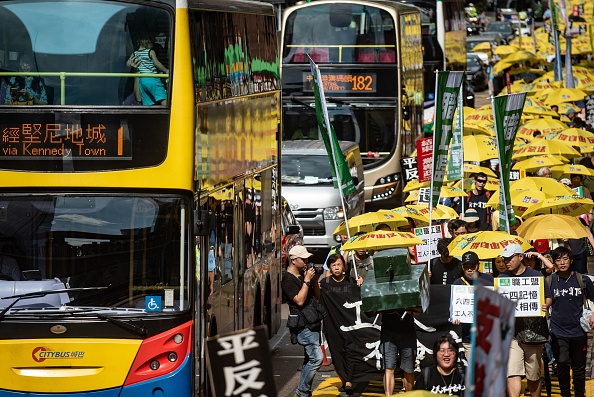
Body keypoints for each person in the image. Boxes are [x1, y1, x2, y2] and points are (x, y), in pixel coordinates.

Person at [543, 247, 594, 397]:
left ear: (571, 261)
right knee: (563, 363)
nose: (562, 262)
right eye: (558, 260)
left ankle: (579, 393)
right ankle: (565, 393)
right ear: (554, 263)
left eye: (565, 259)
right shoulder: (550, 281)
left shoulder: (582, 279)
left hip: (579, 331)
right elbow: (544, 301)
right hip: (558, 331)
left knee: (579, 367)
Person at [499, 244, 547, 397]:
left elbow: (548, 296)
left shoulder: (537, 276)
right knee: (512, 372)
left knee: (533, 375)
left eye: (510, 258)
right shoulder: (502, 278)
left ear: (520, 257)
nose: (507, 262)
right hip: (512, 334)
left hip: (534, 332)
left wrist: (546, 304)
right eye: (505, 259)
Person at [281, 245, 324, 397]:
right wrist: (306, 281)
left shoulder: (303, 275)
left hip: (313, 321)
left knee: (310, 358)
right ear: (293, 260)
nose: (306, 261)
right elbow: (299, 301)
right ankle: (302, 391)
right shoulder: (287, 279)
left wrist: (314, 281)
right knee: (316, 358)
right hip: (303, 324)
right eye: (303, 258)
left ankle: (304, 393)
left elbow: (317, 297)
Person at [320, 253, 358, 393]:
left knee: (350, 350)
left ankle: (349, 380)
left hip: (350, 323)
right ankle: (344, 378)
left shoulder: (351, 281)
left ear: (344, 266)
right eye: (333, 265)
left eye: (339, 265)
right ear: (329, 267)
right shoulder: (325, 283)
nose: (336, 268)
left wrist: (360, 286)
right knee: (336, 352)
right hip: (332, 324)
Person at [452, 251, 494, 357]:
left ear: (478, 265)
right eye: (466, 266)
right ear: (462, 267)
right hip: (468, 339)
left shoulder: (489, 280)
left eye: (472, 266)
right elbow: (452, 308)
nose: (469, 269)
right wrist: (453, 316)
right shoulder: (457, 283)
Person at [380, 306, 417, 395]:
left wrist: (412, 310)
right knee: (389, 367)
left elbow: (419, 310)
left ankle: (410, 395)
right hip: (388, 331)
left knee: (408, 369)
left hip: (407, 331)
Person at [127, 37, 169, 106]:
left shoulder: (135, 53)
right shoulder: (150, 52)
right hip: (152, 79)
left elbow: (128, 63)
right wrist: (166, 70)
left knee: (148, 103)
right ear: (147, 42)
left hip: (143, 80)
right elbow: (156, 63)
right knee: (164, 100)